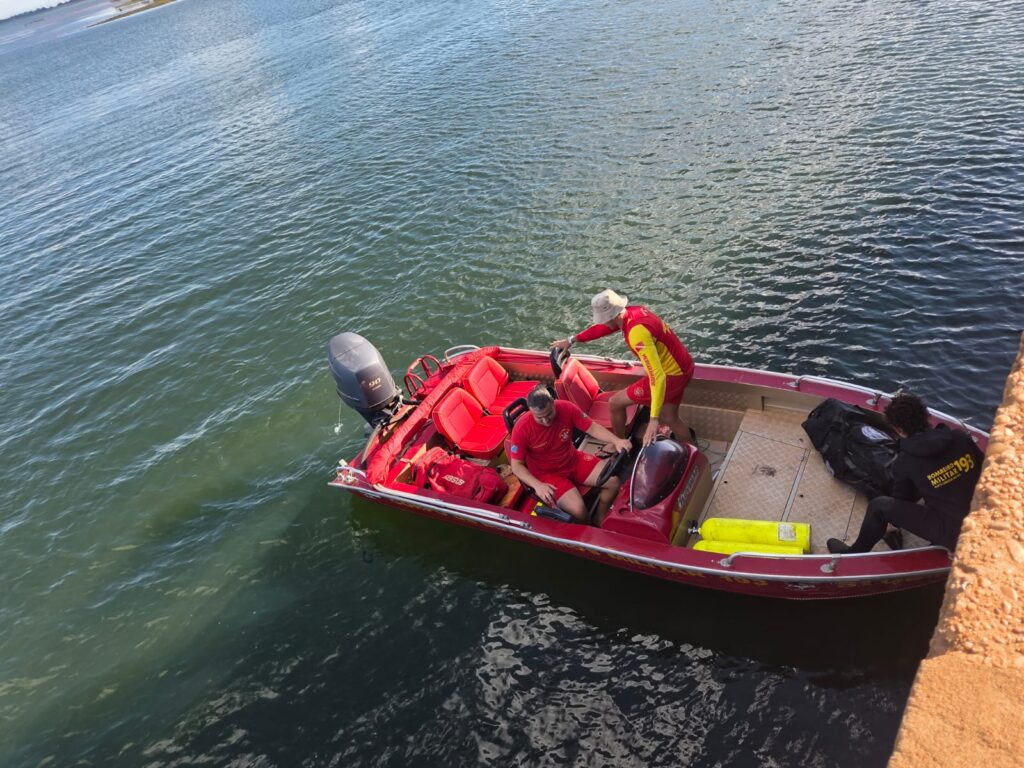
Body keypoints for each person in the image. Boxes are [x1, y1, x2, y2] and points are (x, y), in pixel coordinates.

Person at [827, 393, 984, 554]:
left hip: (957, 534)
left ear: (899, 430)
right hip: (989, 514)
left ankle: (854, 554)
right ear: (926, 416)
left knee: (879, 506)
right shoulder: (960, 437)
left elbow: (902, 500)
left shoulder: (905, 462)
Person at [552, 289, 695, 447]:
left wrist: (654, 419)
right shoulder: (634, 311)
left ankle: (620, 444)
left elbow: (657, 376)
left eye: (603, 319)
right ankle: (693, 450)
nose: (601, 322)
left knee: (615, 403)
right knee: (670, 418)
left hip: (669, 377)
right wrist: (572, 339)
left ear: (611, 316)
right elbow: (604, 328)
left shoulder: (636, 334)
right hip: (684, 366)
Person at [509, 386, 632, 523]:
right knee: (579, 511)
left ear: (553, 402)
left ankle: (600, 518)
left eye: (549, 414)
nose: (546, 421)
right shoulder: (521, 428)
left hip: (573, 459)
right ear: (531, 412)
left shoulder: (567, 408)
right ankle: (586, 528)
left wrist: (617, 440)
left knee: (613, 483)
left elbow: (592, 427)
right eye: (540, 417)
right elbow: (516, 466)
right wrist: (537, 485)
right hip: (547, 475)